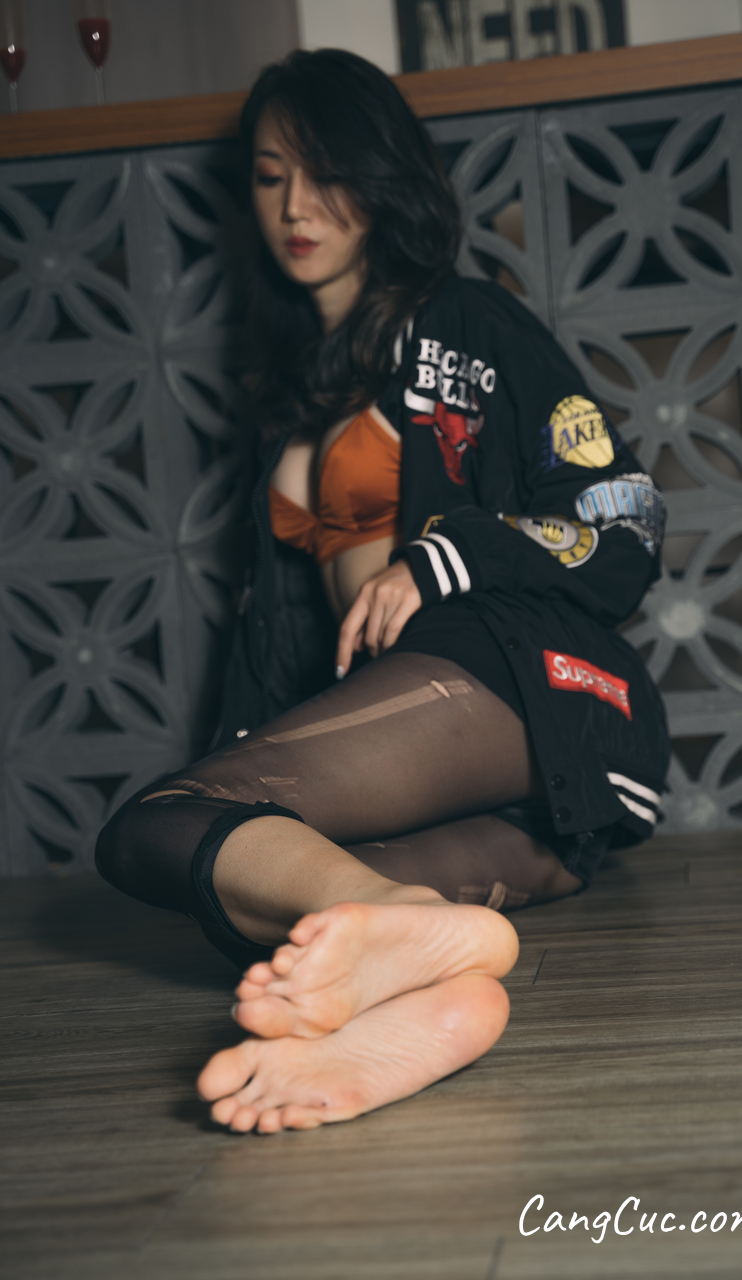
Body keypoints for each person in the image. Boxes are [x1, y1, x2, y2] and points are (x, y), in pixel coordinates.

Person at [96, 49, 670, 1134]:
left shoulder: (469, 322)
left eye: (324, 173)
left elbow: (624, 520)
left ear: (382, 177)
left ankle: (396, 928)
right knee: (277, 894)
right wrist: (248, 754)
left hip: (533, 687)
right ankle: (416, 1008)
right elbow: (277, 639)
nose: (295, 208)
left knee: (159, 820)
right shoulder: (290, 392)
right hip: (532, 819)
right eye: (270, 177)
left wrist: (444, 555)